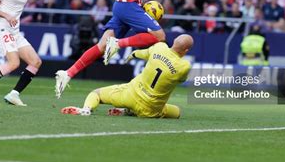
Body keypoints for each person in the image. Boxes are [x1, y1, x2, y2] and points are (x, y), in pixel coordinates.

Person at [61, 34, 193, 118]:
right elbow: (181, 80)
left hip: (130, 95)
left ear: (174, 41)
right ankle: (128, 111)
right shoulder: (184, 66)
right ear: (186, 50)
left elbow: (143, 53)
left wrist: (132, 54)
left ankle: (86, 109)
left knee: (96, 94)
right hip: (151, 109)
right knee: (177, 112)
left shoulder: (159, 47)